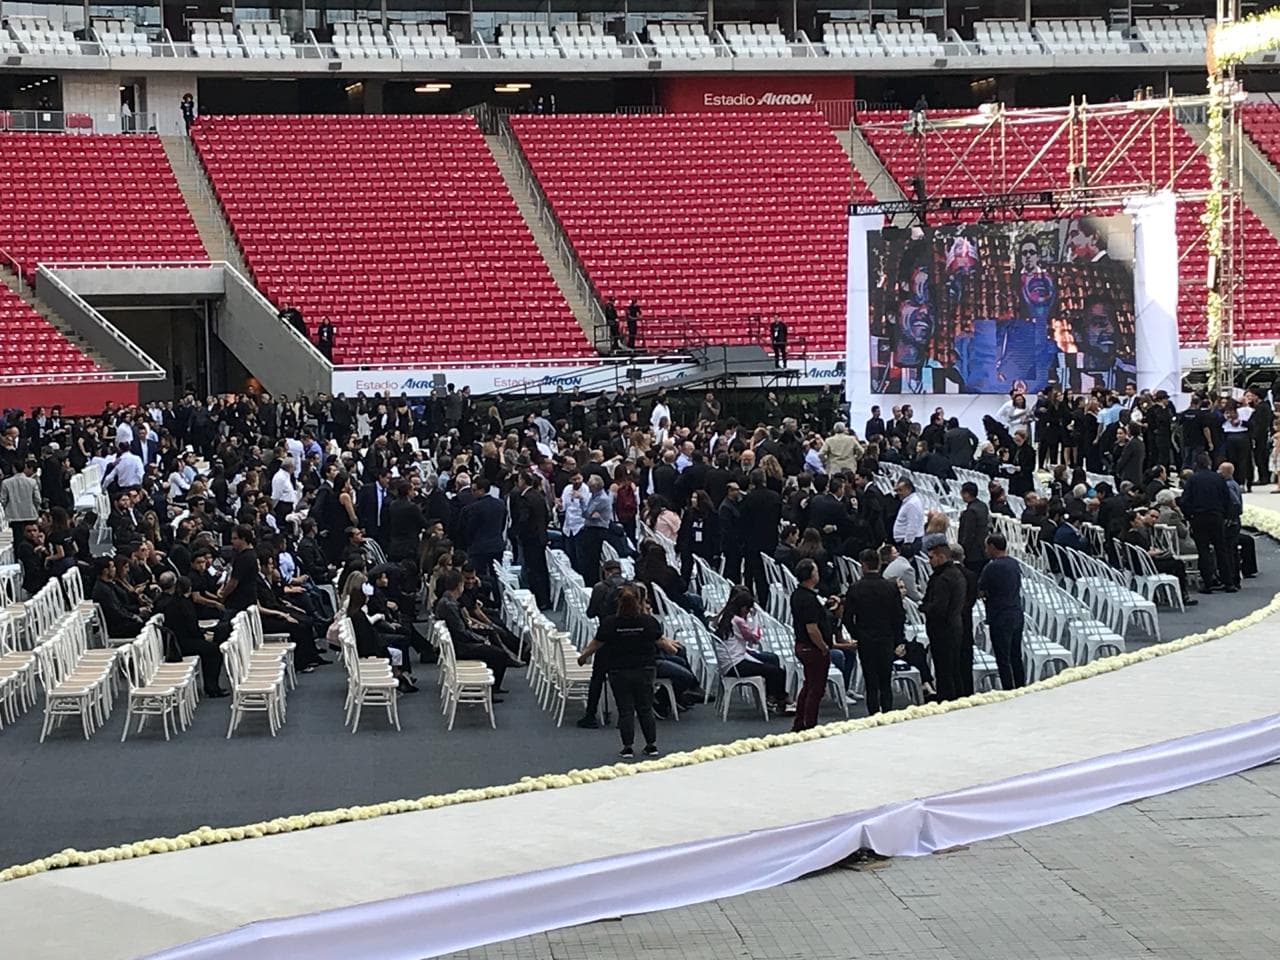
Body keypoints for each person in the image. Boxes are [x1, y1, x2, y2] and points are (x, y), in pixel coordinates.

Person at [577, 584, 677, 759]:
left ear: (618, 602)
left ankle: (628, 747)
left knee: (625, 710)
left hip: (619, 671)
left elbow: (596, 643)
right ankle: (651, 745)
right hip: (645, 670)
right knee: (645, 708)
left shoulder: (610, 623)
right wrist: (673, 649)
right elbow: (662, 642)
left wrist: (583, 656)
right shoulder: (648, 622)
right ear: (639, 600)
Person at [843, 548, 905, 714]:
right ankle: (888, 713)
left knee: (871, 682)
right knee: (886, 681)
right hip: (886, 637)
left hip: (866, 638)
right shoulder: (890, 587)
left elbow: (847, 618)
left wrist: (857, 634)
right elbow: (899, 616)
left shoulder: (855, 588)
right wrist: (898, 639)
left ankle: (873, 714)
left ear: (863, 565)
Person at [434, 568, 512, 696]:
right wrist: (480, 639)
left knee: (494, 649)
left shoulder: (447, 602)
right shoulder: (450, 605)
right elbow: (461, 632)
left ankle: (492, 687)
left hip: (458, 643)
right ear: (459, 586)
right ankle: (492, 689)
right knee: (499, 655)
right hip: (462, 647)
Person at [713, 588, 789, 714]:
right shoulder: (738, 621)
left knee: (771, 667)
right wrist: (756, 621)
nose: (748, 612)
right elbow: (754, 638)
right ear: (743, 608)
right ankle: (780, 699)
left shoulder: (726, 616)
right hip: (735, 664)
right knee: (776, 671)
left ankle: (775, 698)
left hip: (728, 662)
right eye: (748, 609)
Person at [154, 572, 228, 698]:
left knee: (210, 647)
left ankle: (212, 686)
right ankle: (212, 687)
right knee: (214, 650)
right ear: (189, 589)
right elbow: (192, 627)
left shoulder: (173, 602)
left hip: (178, 640)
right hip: (182, 644)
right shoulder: (185, 604)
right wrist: (203, 637)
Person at [789, 558, 838, 732]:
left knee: (809, 684)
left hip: (802, 644)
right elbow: (812, 629)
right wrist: (823, 647)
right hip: (812, 647)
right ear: (810, 575)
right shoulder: (808, 599)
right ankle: (809, 724)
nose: (818, 573)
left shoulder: (798, 594)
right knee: (816, 689)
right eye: (816, 571)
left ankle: (800, 722)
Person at [920, 539, 967, 701]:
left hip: (943, 630)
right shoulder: (957, 574)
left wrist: (924, 607)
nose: (929, 561)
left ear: (941, 557)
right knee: (954, 669)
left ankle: (947, 700)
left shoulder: (943, 578)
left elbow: (939, 608)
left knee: (944, 670)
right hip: (955, 626)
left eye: (931, 557)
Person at [977, 535, 1026, 691]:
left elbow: (981, 589)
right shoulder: (1014, 563)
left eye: (987, 547)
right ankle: (1021, 686)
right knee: (1016, 655)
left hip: (1000, 616)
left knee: (1003, 658)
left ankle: (1008, 689)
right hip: (1016, 612)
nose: (985, 550)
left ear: (992, 546)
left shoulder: (992, 567)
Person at [1179, 453, 1233, 593]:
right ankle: (1228, 582)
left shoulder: (1193, 479)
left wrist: (1189, 515)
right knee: (1221, 549)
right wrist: (1225, 515)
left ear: (1196, 464)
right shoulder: (1218, 478)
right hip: (1216, 516)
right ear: (1209, 463)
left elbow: (1185, 500)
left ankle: (1207, 583)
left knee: (1203, 550)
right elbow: (1227, 498)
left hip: (1199, 517)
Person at [1, 459, 40, 541]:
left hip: (13, 515)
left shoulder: (6, 482)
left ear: (14, 468)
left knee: (17, 538)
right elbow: (37, 499)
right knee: (30, 537)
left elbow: (3, 500)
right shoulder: (32, 482)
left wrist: (6, 510)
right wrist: (35, 508)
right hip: (30, 514)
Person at [957, 482, 990, 574]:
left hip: (973, 554)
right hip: (983, 549)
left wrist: (963, 551)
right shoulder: (983, 506)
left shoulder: (971, 512)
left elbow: (968, 534)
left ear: (966, 494)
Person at [892, 477, 924, 557]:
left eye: (900, 490)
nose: (898, 493)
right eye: (897, 490)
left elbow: (912, 525)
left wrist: (907, 544)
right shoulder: (908, 501)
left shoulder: (912, 504)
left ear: (909, 489)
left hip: (909, 543)